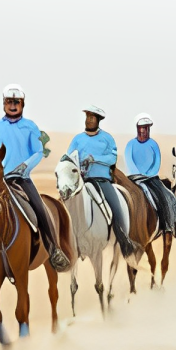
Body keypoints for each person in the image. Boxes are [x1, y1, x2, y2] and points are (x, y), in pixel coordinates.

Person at [0, 84, 71, 271]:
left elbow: (38, 151)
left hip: (22, 179)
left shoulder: (30, 126)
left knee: (41, 210)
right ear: (3, 104)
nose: (13, 105)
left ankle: (54, 249)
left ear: (22, 104)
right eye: (9, 101)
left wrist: (25, 166)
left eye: (17, 102)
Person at [67, 105, 136, 257]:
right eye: (87, 117)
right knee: (64, 205)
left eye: (92, 117)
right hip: (82, 181)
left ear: (98, 120)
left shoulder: (107, 138)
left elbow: (112, 158)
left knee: (116, 206)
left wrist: (94, 158)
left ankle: (124, 240)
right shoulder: (77, 139)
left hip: (102, 181)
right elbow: (69, 157)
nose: (89, 120)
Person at [124, 113, 176, 236]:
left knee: (167, 196)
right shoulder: (130, 145)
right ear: (137, 129)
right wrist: (138, 174)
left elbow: (156, 163)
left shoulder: (153, 144)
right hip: (134, 178)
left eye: (146, 128)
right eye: (142, 128)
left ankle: (168, 224)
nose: (144, 131)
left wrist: (148, 174)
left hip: (151, 178)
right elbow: (130, 162)